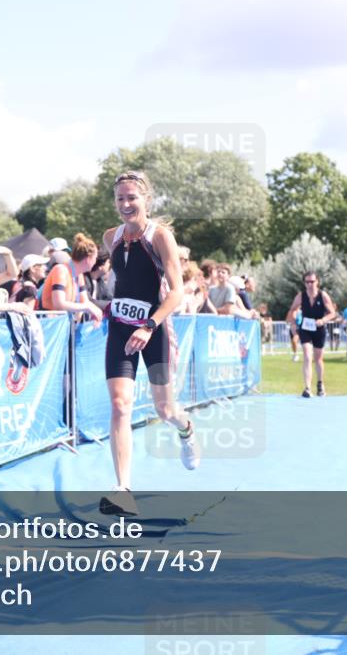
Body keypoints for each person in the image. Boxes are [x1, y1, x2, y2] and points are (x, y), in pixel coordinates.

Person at [99, 171, 200, 516]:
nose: (126, 205)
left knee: (164, 410)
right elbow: (121, 280)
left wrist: (149, 324)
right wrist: (110, 306)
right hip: (120, 329)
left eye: (132, 198)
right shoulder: (110, 236)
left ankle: (186, 430)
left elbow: (177, 292)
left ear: (146, 199)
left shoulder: (161, 237)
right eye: (120, 199)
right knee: (119, 404)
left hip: (154, 331)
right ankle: (122, 488)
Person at [286, 271, 337, 398]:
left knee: (318, 358)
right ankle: (307, 388)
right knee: (307, 356)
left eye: (312, 281)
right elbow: (292, 310)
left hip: (319, 329)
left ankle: (320, 384)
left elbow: (333, 313)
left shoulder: (323, 295)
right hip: (306, 328)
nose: (310, 284)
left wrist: (323, 320)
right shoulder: (300, 296)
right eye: (307, 282)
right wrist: (293, 323)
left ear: (317, 282)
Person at [38, 233, 104, 323]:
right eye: (95, 258)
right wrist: (87, 308)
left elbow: (85, 301)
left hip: (62, 324)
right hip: (49, 325)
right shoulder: (61, 270)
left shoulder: (79, 275)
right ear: (88, 259)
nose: (95, 261)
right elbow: (59, 304)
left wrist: (97, 311)